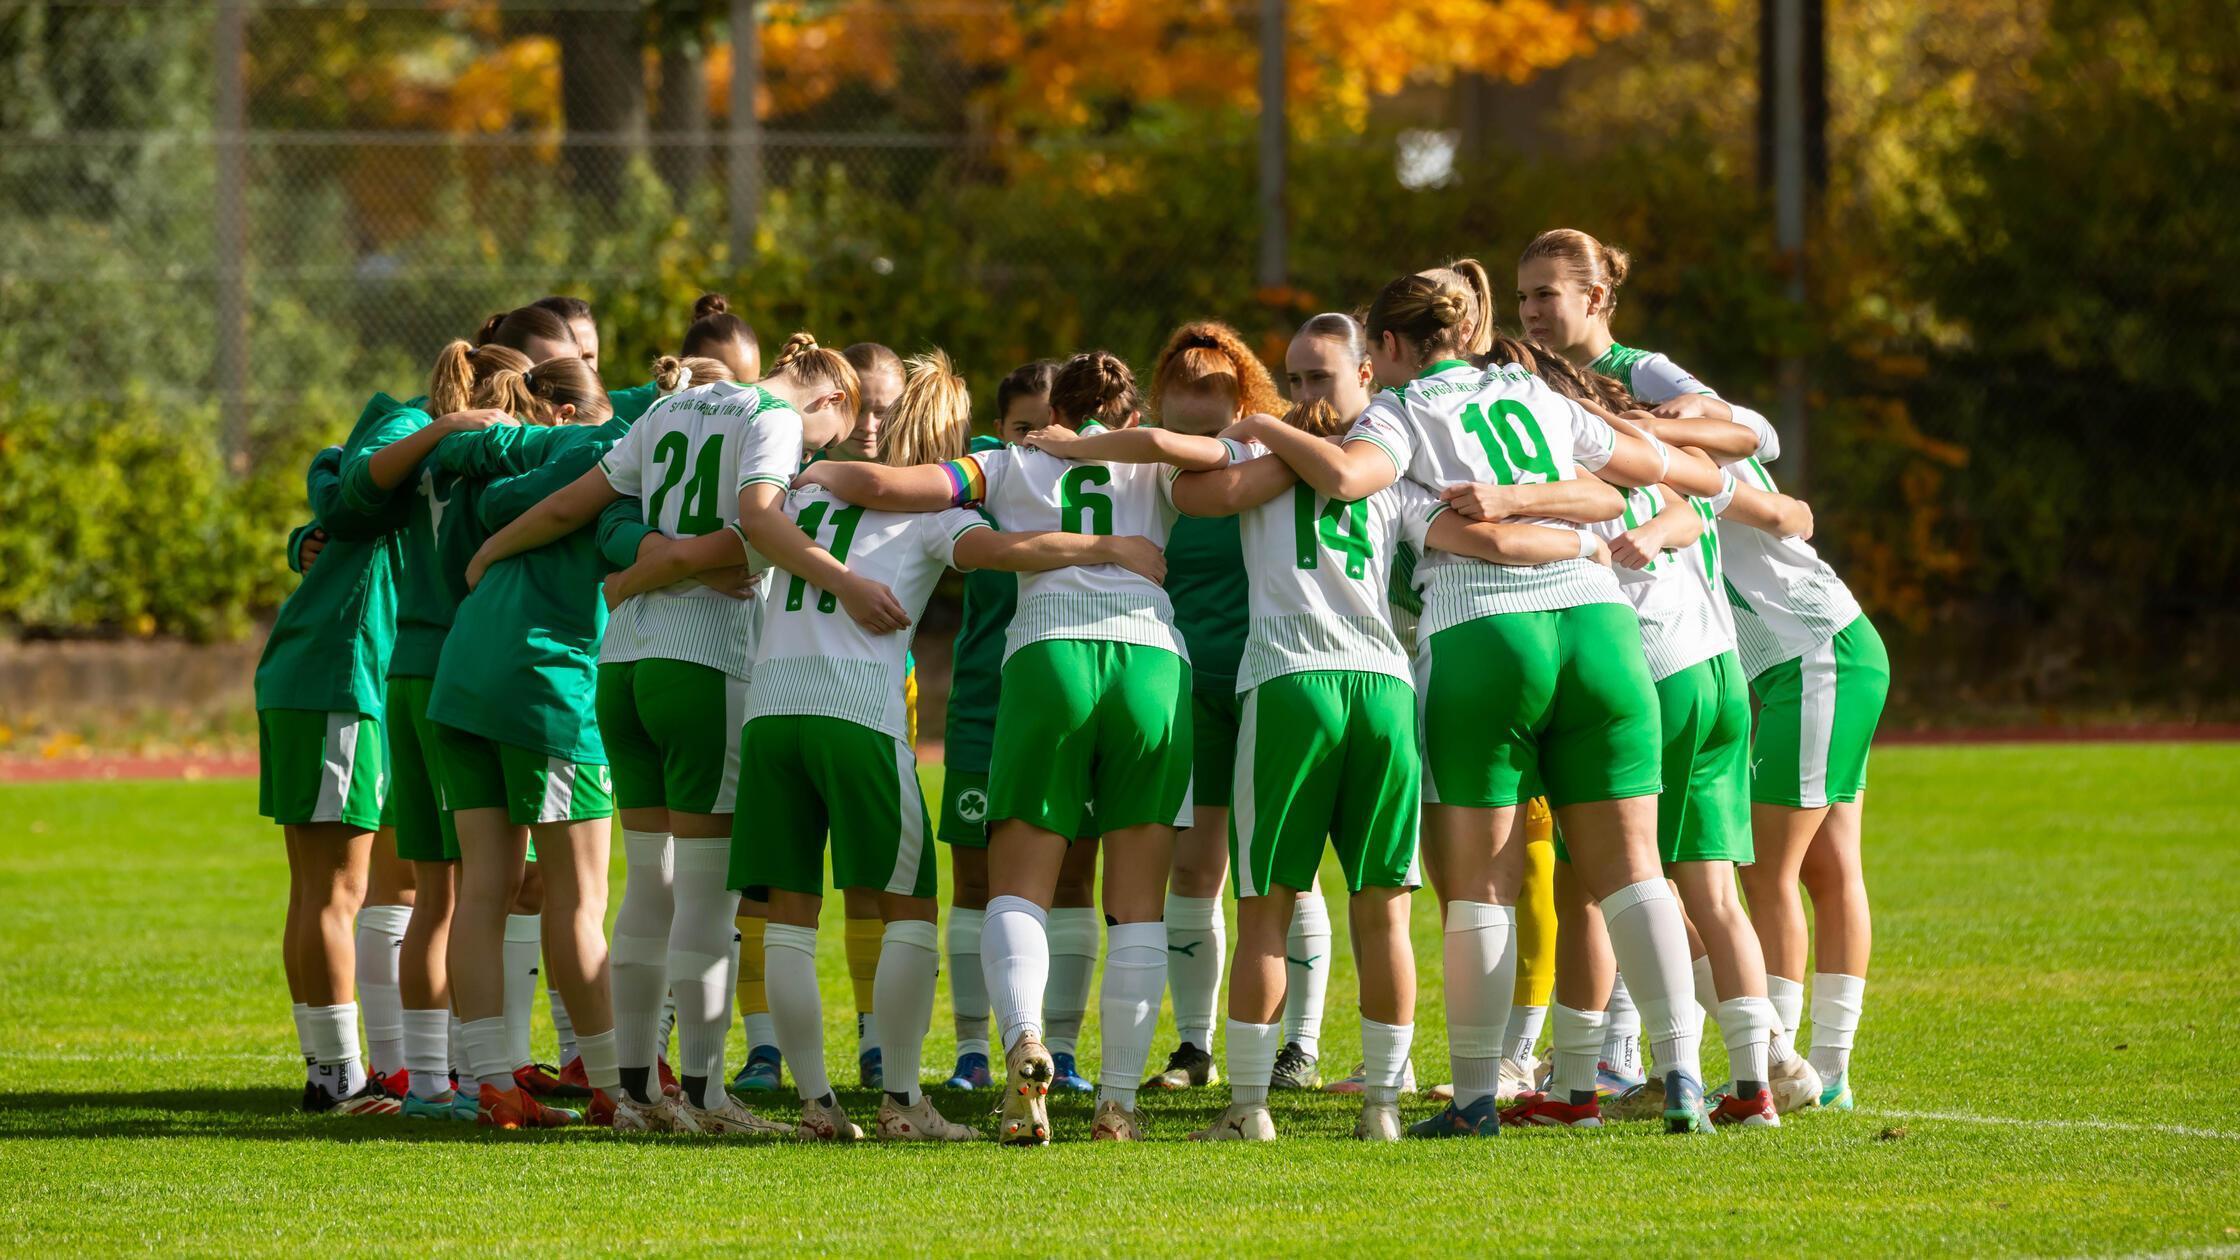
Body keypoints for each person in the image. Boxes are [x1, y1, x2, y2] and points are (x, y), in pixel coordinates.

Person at [1223, 267, 1729, 1137]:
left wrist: (1262, 423)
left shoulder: (1400, 411)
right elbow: (1643, 475)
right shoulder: (1534, 394)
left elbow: (1350, 480)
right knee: (1633, 868)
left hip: (1486, 633)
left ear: (1385, 349)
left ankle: (1473, 1100)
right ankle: (1682, 1079)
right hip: (1602, 626)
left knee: (1483, 883)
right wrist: (1549, 486)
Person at [1030, 399, 1595, 1142]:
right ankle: (1383, 1110)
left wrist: (1082, 444)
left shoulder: (1260, 469)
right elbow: (1487, 540)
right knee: (1384, 907)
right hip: (1385, 688)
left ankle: (1249, 1108)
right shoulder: (1388, 481)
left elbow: (1173, 451)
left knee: (1266, 902)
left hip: (1291, 682)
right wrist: (1588, 550)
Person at [694, 349, 1157, 1140]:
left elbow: (732, 549)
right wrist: (1106, 548)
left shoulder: (803, 489)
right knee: (910, 907)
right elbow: (1010, 553)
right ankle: (904, 1103)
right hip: (857, 715)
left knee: (791, 917)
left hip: (769, 712)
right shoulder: (939, 513)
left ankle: (815, 1105)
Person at [794, 350, 1211, 1144]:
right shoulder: (1152, 458)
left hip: (1047, 655)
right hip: (1152, 662)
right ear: (1126, 411)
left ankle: (1023, 1044)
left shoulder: (1004, 460)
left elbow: (890, 486)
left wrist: (815, 477)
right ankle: (1117, 1102)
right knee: (1137, 909)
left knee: (1015, 889)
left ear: (1052, 408)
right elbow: (1220, 461)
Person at [255, 392, 491, 1118]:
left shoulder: (412, 439)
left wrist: (312, 531)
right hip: (339, 680)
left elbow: (335, 482)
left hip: (336, 679)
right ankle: (339, 1078)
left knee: (346, 887)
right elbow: (348, 482)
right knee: (333, 890)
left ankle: (350, 1071)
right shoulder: (417, 431)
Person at [429, 355, 638, 1130]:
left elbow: (470, 460)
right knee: (581, 900)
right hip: (542, 685)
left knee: (482, 889)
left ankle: (493, 1083)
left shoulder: (508, 451)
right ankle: (619, 1089)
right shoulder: (604, 447)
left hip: (464, 677)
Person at [935, 359, 1101, 1095]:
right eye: (1022, 427)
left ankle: (1059, 1047)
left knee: (1074, 875)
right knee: (975, 878)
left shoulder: (1101, 487)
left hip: (1074, 697)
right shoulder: (989, 482)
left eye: (1051, 425)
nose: (1038, 440)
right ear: (997, 434)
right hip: (986, 699)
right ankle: (975, 1046)